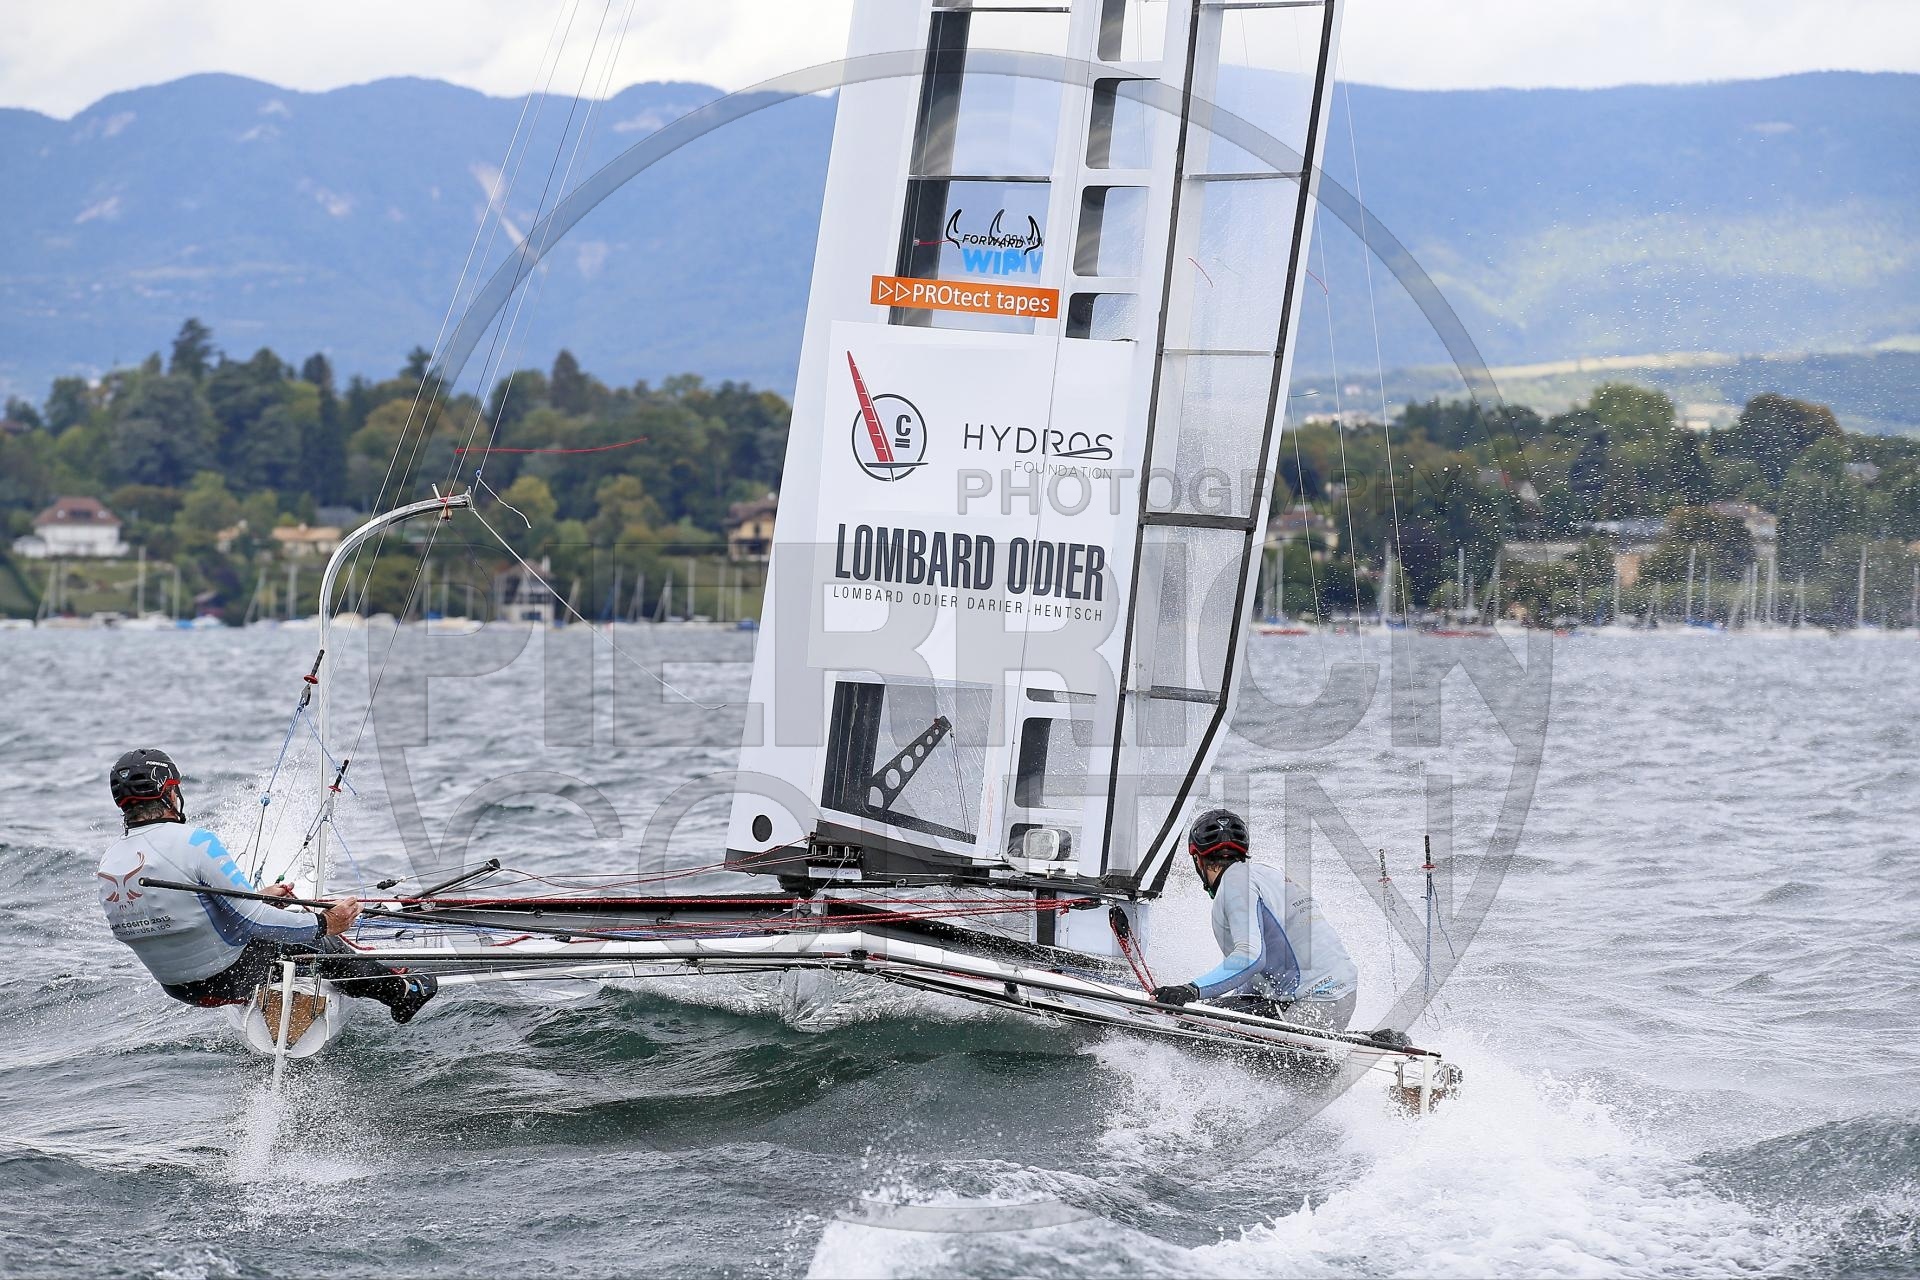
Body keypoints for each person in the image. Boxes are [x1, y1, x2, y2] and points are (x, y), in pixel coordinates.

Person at [96, 748, 436, 1023]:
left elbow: (180, 914)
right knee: (317, 941)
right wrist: (325, 922)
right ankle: (402, 994)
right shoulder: (195, 842)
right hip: (228, 978)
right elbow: (255, 923)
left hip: (179, 989)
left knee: (282, 932)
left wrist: (254, 898)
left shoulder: (110, 860)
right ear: (171, 792)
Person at [1151, 808, 1359, 1030]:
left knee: (1193, 1027)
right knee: (1212, 1013)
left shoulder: (1234, 885)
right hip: (1341, 996)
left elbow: (1251, 958)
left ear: (1197, 859)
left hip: (1312, 1005)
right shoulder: (1267, 874)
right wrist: (1215, 1003)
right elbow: (1258, 977)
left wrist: (1192, 989)